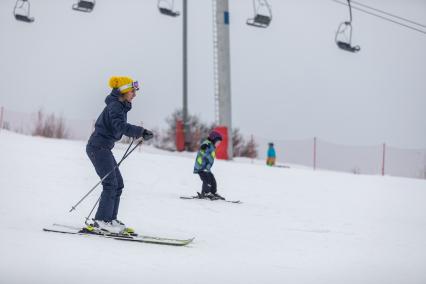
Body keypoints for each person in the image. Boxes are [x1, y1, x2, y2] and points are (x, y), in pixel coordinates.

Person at [86, 76, 153, 234]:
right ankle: (102, 221)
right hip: (97, 147)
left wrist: (139, 133)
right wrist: (140, 131)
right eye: (132, 91)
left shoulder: (120, 105)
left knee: (118, 183)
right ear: (123, 91)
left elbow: (119, 127)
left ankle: (110, 219)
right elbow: (120, 126)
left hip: (104, 148)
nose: (134, 95)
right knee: (111, 183)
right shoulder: (115, 106)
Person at [193, 131, 224, 200]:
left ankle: (213, 192)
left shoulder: (212, 147)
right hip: (201, 167)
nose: (218, 144)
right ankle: (206, 193)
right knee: (207, 180)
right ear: (213, 140)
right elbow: (203, 152)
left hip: (206, 168)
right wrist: (204, 148)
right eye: (218, 142)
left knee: (212, 180)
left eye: (219, 143)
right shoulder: (206, 144)